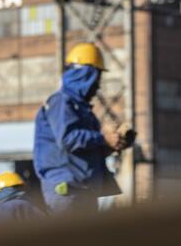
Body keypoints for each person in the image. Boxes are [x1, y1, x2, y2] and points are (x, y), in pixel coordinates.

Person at [33, 43, 134, 214]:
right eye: (97, 77)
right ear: (85, 74)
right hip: (68, 190)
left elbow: (83, 148)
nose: (98, 85)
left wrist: (110, 145)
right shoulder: (61, 102)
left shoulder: (82, 110)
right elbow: (68, 139)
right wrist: (103, 138)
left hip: (83, 189)